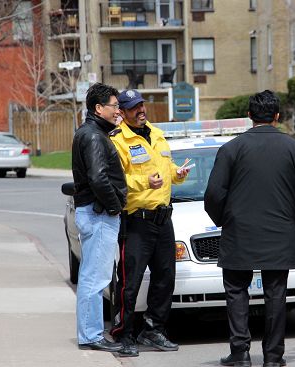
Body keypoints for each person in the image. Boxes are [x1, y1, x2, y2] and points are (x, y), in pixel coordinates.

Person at [204, 90, 295, 367]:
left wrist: (224, 220)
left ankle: (240, 352)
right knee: (276, 295)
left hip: (239, 232)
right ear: (277, 116)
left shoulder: (231, 149)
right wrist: (293, 222)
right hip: (279, 233)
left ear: (249, 116)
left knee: (235, 291)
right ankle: (273, 357)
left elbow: (213, 196)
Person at [108, 89, 190, 357]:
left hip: (163, 218)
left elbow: (164, 167)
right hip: (137, 221)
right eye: (134, 108)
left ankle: (153, 328)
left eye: (141, 105)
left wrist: (177, 174)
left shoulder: (155, 133)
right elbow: (116, 180)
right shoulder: (118, 140)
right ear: (122, 112)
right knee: (128, 282)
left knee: (165, 278)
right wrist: (145, 182)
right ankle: (124, 334)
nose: (141, 111)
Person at [72, 83, 127, 352]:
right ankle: (91, 335)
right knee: (95, 278)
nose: (118, 110)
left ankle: (90, 333)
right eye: (114, 106)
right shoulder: (93, 136)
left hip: (96, 212)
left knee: (92, 276)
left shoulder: (92, 133)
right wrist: (115, 206)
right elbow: (97, 177)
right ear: (98, 108)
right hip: (99, 214)